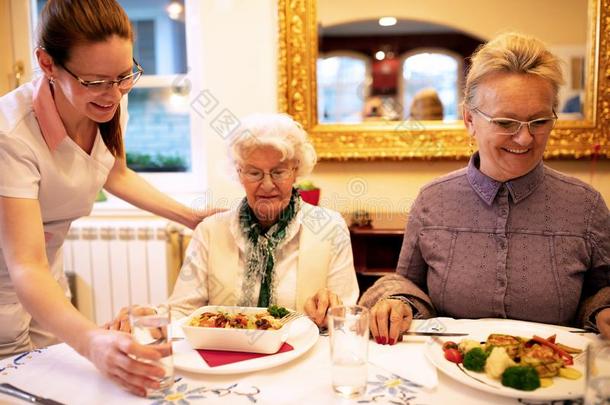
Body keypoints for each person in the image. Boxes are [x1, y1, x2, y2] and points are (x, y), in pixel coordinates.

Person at [0, 0, 219, 396]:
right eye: (95, 81)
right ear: (47, 64)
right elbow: (25, 263)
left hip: (43, 281)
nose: (114, 93)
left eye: (124, 76)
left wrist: (190, 217)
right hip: (10, 282)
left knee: (58, 387)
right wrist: (92, 341)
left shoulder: (109, 97)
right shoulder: (10, 134)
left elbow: (113, 171)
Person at [359, 32, 610, 345]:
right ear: (469, 119)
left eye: (540, 121)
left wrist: (602, 308)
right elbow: (409, 286)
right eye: (506, 123)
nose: (525, 139)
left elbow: (600, 291)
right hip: (453, 374)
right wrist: (398, 302)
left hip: (554, 382)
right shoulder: (433, 201)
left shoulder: (585, 206)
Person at [108, 113, 359, 331]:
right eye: (254, 172)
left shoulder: (330, 227)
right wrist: (149, 316)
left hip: (302, 360)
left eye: (279, 171)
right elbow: (183, 311)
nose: (268, 184)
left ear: (296, 170)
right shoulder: (210, 230)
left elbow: (348, 318)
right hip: (228, 364)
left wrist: (332, 309)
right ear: (238, 172)